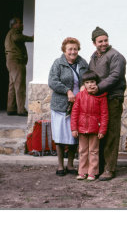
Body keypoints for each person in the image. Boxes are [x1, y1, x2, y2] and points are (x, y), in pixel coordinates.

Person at [88, 27, 127, 181]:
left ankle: (109, 169)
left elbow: (115, 76)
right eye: (100, 41)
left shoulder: (116, 56)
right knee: (99, 133)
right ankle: (98, 167)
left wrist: (98, 88)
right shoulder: (94, 57)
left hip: (113, 98)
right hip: (98, 98)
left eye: (106, 40)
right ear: (94, 43)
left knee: (111, 133)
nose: (104, 43)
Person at [48, 37, 88, 176]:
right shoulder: (58, 63)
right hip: (61, 105)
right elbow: (52, 81)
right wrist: (67, 91)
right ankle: (60, 166)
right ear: (64, 50)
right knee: (60, 136)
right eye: (70, 49)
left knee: (73, 136)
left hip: (78, 105)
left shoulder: (82, 63)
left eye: (75, 49)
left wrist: (85, 85)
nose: (73, 51)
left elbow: (88, 78)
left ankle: (70, 165)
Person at [71, 70, 109, 181]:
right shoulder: (79, 96)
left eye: (92, 81)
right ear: (84, 84)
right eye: (87, 82)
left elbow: (104, 114)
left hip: (95, 128)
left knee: (94, 151)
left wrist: (102, 130)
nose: (90, 84)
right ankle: (82, 172)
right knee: (82, 151)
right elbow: (74, 113)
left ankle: (92, 172)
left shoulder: (101, 96)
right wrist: (74, 128)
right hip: (82, 128)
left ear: (96, 83)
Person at [4, 17, 34, 116]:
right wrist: (31, 38)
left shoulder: (11, 33)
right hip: (16, 62)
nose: (22, 25)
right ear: (14, 25)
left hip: (12, 61)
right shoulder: (14, 32)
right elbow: (18, 38)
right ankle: (21, 110)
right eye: (20, 23)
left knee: (12, 86)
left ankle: (11, 108)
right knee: (19, 86)